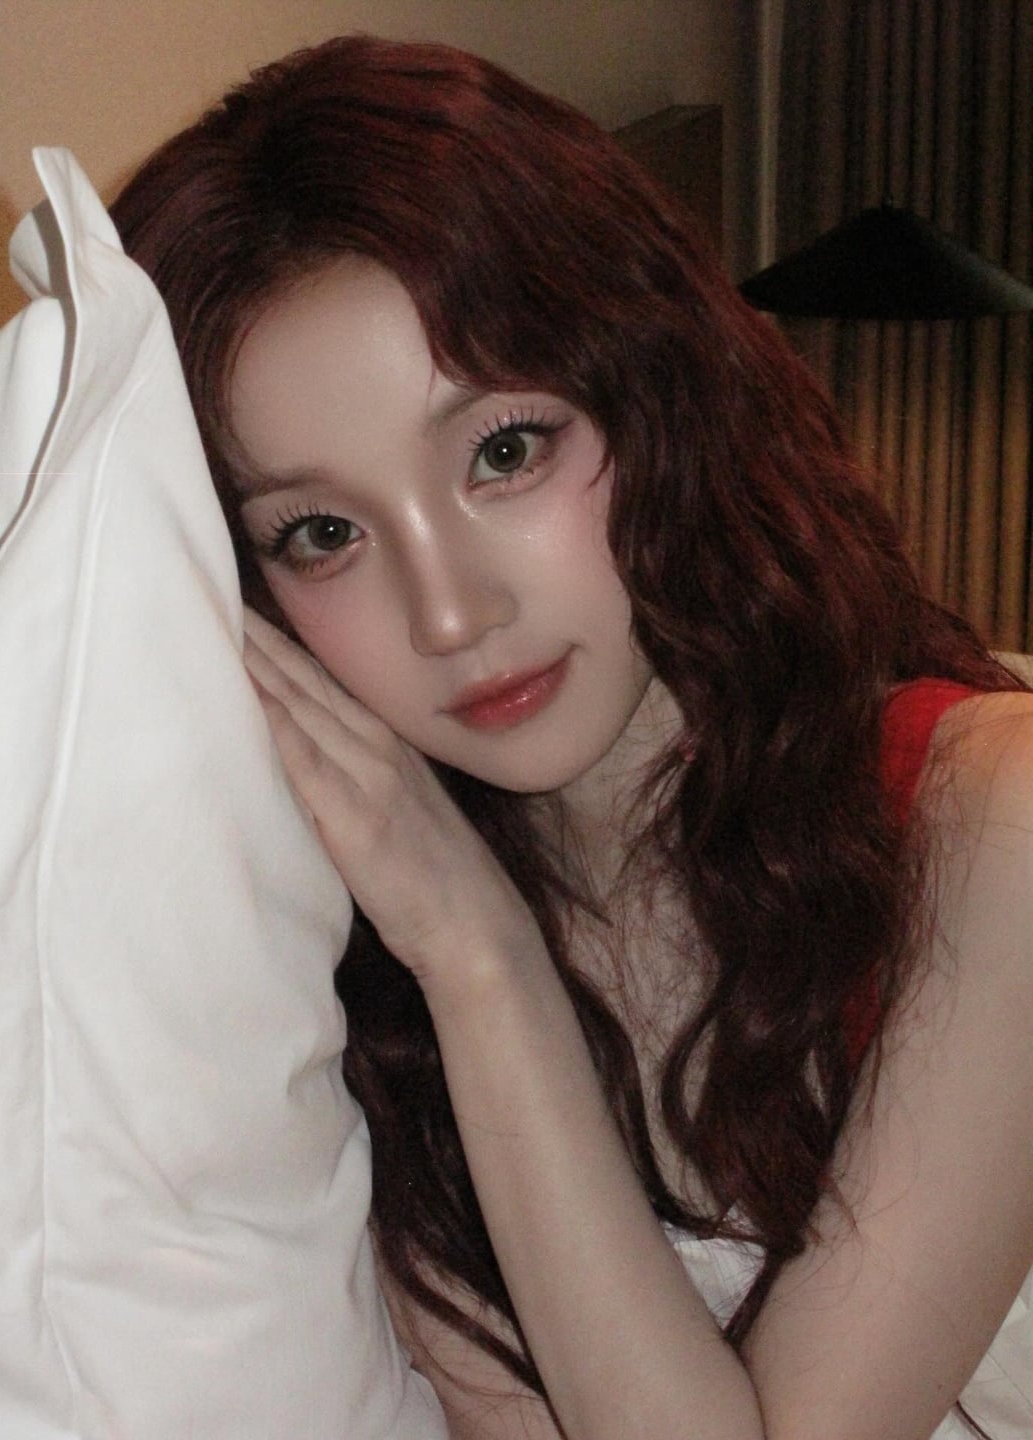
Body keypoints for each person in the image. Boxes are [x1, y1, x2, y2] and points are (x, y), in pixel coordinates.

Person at [111, 36, 1033, 1440]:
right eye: (323, 532)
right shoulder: (352, 983)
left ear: (662, 395)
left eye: (504, 452)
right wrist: (463, 949)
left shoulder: (986, 816)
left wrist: (484, 962)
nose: (451, 612)